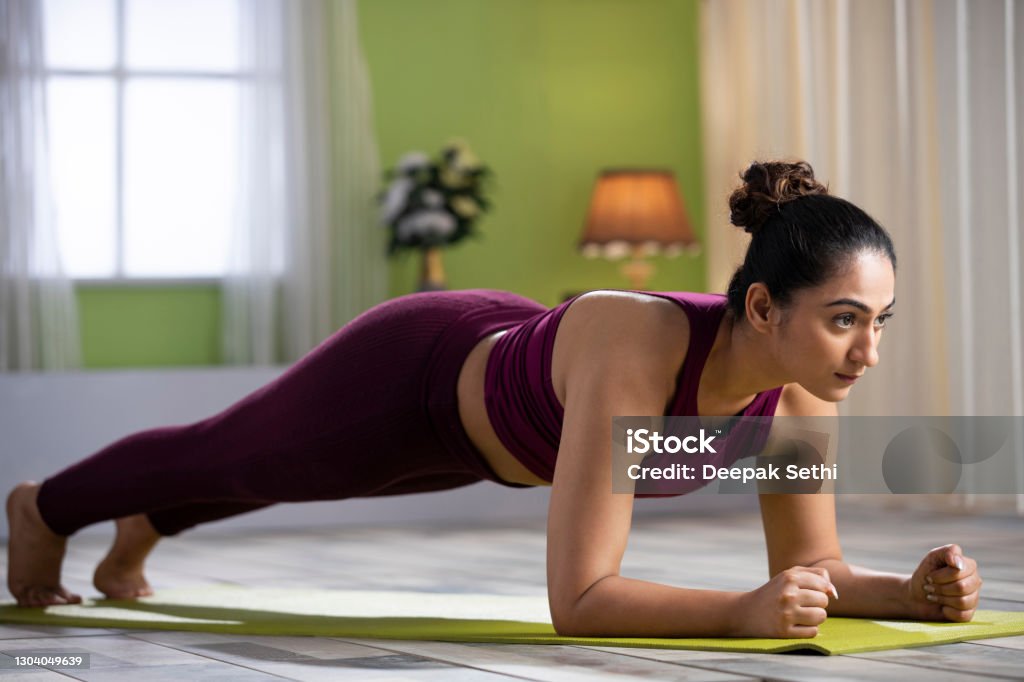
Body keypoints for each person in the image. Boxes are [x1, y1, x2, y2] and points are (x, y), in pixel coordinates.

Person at [5, 160, 982, 639]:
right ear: (762, 306)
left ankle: (141, 527)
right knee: (239, 449)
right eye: (846, 318)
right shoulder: (638, 345)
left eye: (881, 321)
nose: (868, 350)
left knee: (282, 477)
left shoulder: (803, 390)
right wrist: (738, 611)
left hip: (491, 438)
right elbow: (581, 600)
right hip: (413, 379)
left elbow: (814, 565)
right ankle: (42, 507)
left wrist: (908, 591)